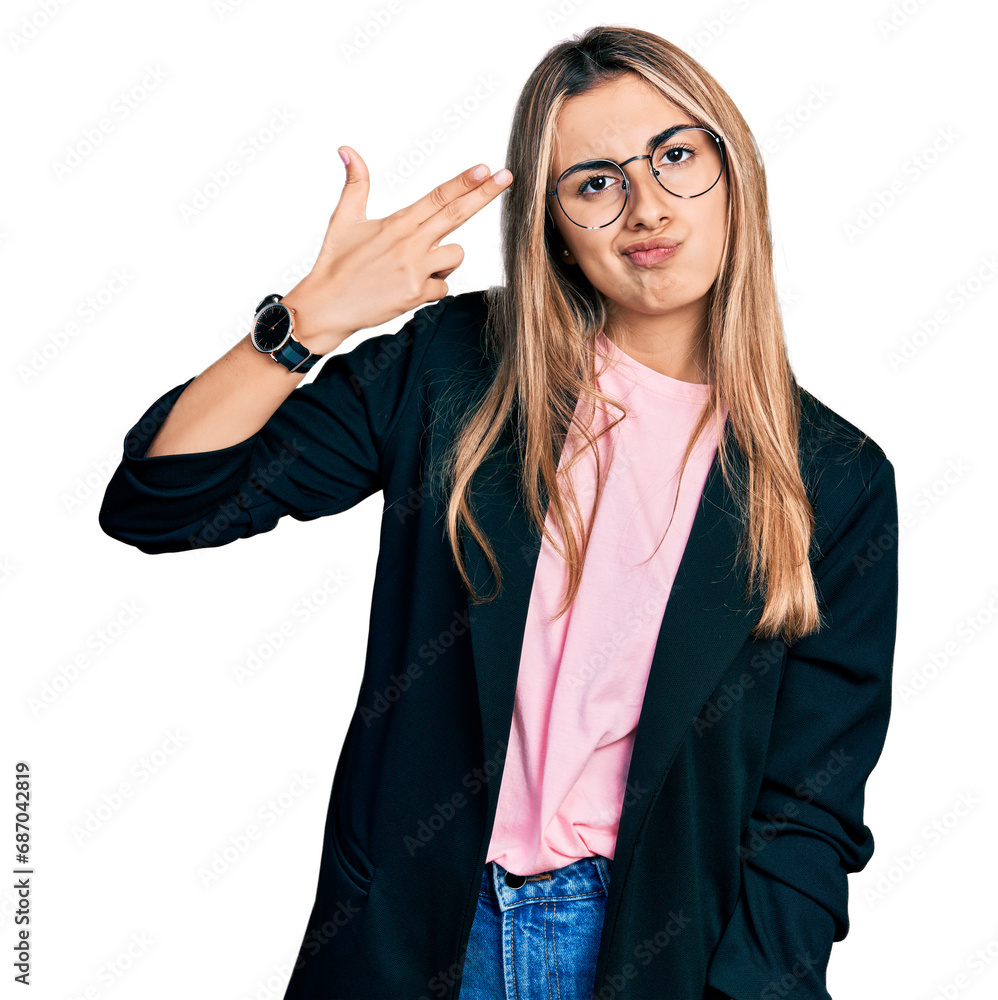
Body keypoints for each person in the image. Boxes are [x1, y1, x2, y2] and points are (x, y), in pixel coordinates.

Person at [99, 24, 899, 1000]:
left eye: (675, 156)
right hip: (418, 944)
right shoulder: (451, 367)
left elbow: (806, 808)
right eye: (593, 181)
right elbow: (161, 500)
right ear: (551, 224)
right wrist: (306, 321)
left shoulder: (832, 476)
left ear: (733, 172)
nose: (644, 205)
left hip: (652, 958)